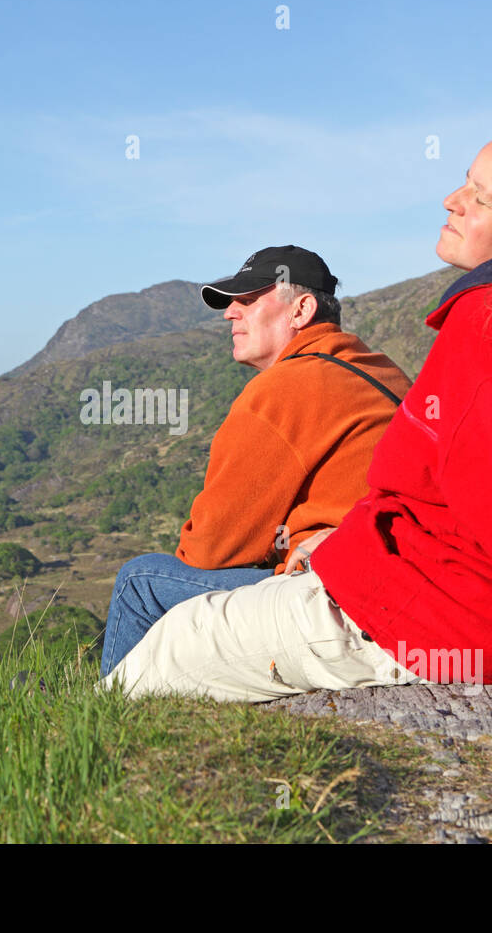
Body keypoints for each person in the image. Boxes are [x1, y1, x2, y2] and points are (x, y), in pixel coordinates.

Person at [102, 117, 492, 739]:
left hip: (433, 615)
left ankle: (93, 777)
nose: (453, 200)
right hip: (483, 606)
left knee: (171, 639)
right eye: (463, 184)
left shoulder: (490, 324)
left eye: (480, 195)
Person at [99, 245, 412, 677]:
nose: (230, 313)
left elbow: (212, 549)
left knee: (141, 582)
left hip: (341, 598)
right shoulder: (378, 370)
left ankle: (109, 707)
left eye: (248, 300)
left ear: (301, 310)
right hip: (398, 583)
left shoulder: (288, 385)